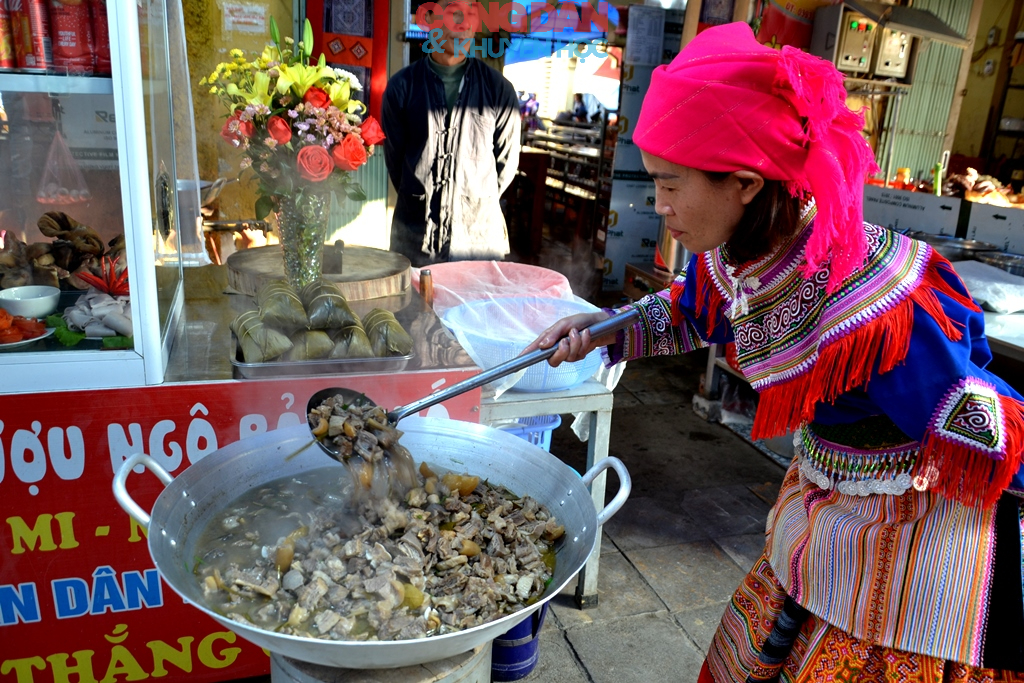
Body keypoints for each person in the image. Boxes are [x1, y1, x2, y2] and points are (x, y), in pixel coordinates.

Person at [528, 23, 1024, 681]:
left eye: (672, 184)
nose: (661, 204)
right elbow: (693, 308)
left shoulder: (877, 310)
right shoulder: (740, 256)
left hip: (908, 535)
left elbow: (977, 425)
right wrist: (601, 329)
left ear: (746, 183)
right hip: (822, 505)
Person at [381, 0, 520, 267]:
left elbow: (506, 166)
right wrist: (424, 197)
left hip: (477, 241)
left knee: (477, 309)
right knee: (414, 308)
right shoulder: (401, 87)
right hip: (414, 239)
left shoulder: (499, 90)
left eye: (471, 12)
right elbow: (396, 164)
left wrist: (470, 198)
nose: (463, 21)